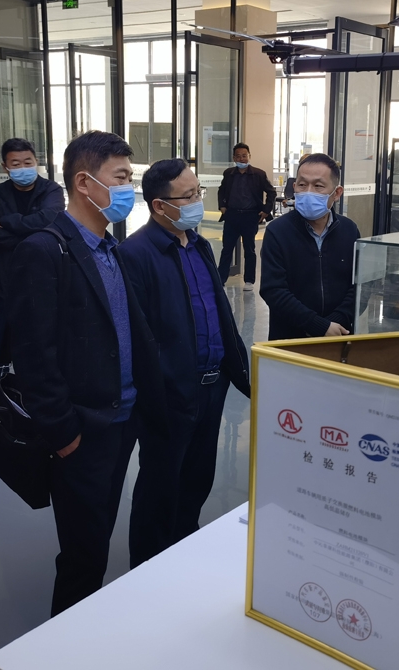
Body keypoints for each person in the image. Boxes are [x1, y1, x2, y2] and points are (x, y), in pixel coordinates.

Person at [7, 131, 165, 617]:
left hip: (120, 421)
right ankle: (67, 641)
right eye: (121, 178)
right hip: (82, 432)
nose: (128, 189)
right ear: (83, 182)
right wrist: (64, 433)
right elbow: (34, 354)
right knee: (83, 554)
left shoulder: (108, 248)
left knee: (99, 534)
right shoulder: (44, 251)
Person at [118, 158, 251, 567]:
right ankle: (147, 568)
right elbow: (138, 337)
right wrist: (158, 390)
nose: (197, 202)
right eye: (189, 196)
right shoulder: (135, 254)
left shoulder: (198, 244)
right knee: (160, 487)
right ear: (160, 206)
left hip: (212, 387)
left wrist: (237, 370)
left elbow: (219, 312)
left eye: (198, 193)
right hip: (171, 393)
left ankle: (183, 556)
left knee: (197, 481)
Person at [0, 138, 64, 441]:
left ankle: (37, 417)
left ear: (37, 162)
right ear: (5, 166)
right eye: (15, 164)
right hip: (5, 289)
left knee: (39, 356)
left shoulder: (52, 191)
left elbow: (51, 224)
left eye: (28, 162)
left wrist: (6, 223)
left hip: (42, 290)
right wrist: (29, 231)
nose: (23, 168)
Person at [260, 153, 360, 341]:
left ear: (337, 193)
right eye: (302, 185)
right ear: (294, 187)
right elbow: (273, 290)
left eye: (318, 186)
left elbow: (359, 285)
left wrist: (335, 322)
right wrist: (317, 326)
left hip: (339, 336)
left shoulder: (349, 230)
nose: (308, 192)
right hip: (290, 340)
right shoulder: (278, 231)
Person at [216, 143, 275, 292]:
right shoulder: (228, 173)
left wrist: (266, 210)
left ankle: (249, 280)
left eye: (244, 155)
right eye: (238, 156)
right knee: (227, 248)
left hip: (250, 216)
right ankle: (220, 279)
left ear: (249, 156)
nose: (241, 158)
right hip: (232, 215)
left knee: (249, 249)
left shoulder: (258, 174)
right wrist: (222, 206)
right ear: (233, 158)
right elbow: (221, 191)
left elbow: (271, 192)